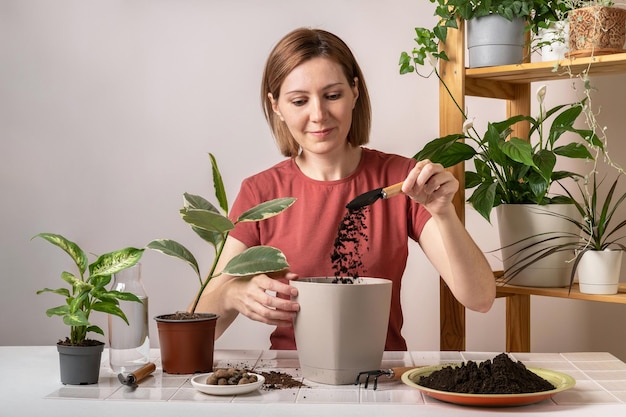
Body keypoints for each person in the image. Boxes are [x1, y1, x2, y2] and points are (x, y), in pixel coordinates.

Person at [194, 27, 495, 350]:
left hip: (379, 378)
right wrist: (229, 294)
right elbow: (199, 329)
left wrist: (444, 213)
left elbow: (480, 298)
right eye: (299, 101)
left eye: (332, 95)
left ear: (354, 91)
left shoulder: (402, 180)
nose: (318, 115)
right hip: (290, 383)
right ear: (277, 106)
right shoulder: (261, 193)